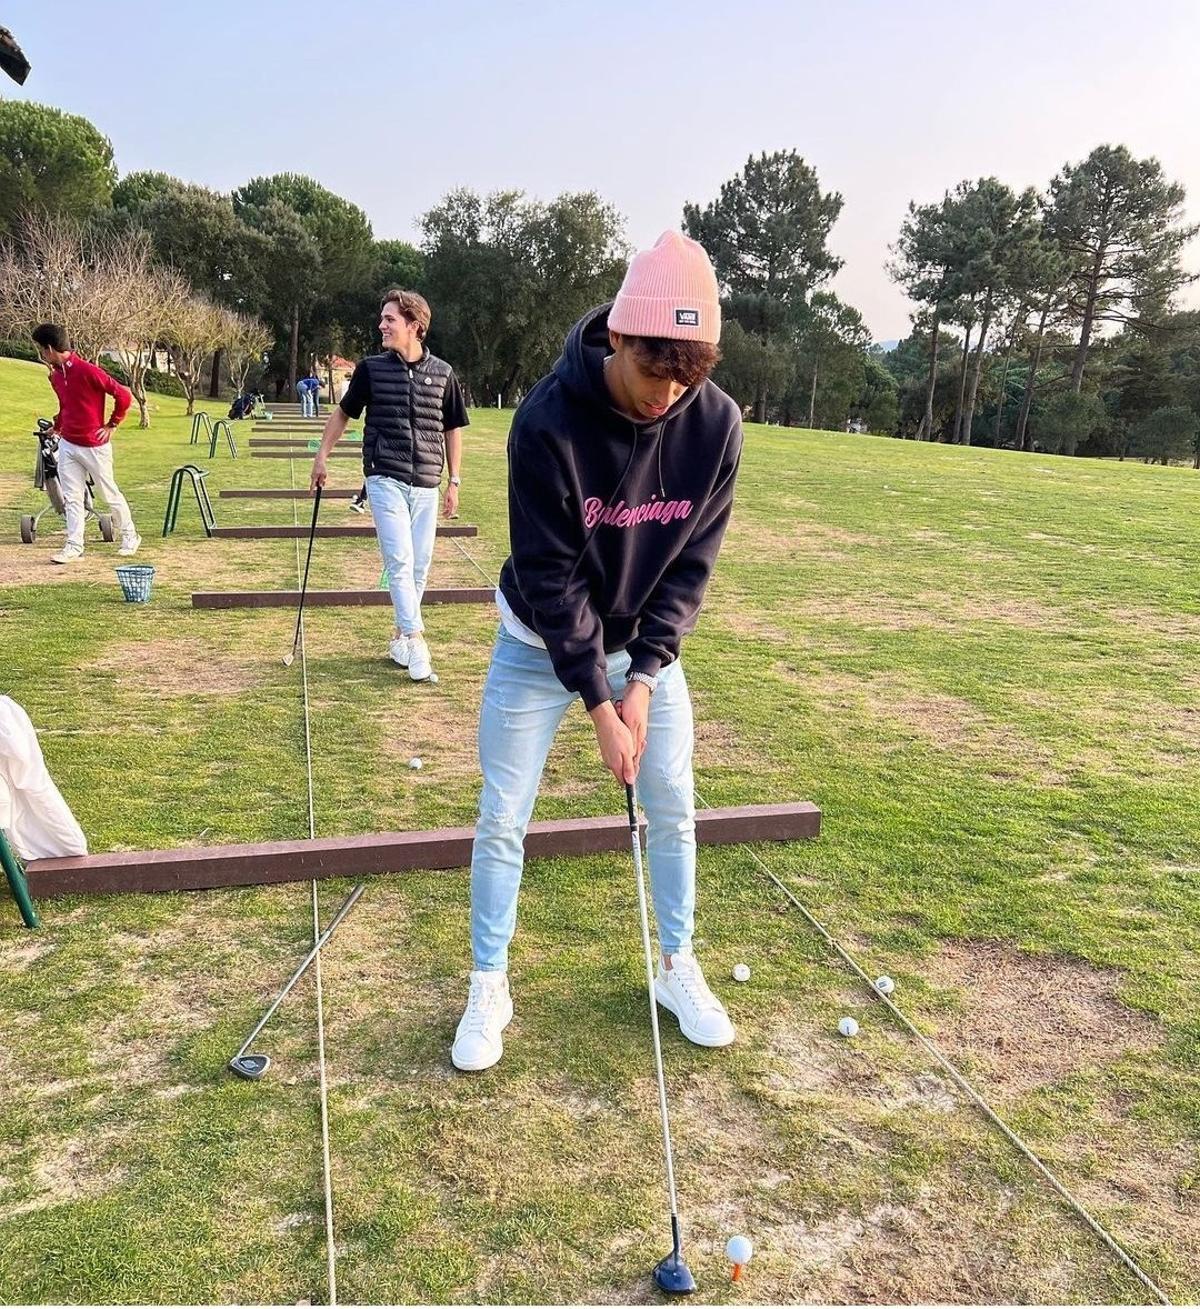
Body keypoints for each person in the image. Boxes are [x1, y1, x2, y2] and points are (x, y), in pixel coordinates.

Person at [451, 231, 744, 1073]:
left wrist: (643, 679)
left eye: (686, 377)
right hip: (537, 646)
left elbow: (690, 567)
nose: (667, 396)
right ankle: (489, 980)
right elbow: (551, 576)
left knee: (675, 805)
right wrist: (598, 702)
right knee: (504, 815)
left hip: (644, 656)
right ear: (617, 338)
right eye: (655, 372)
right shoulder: (547, 421)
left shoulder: (715, 423)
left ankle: (675, 965)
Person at [309, 290, 467, 680]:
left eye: (390, 319)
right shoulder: (371, 369)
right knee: (399, 561)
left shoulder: (444, 373)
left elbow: (452, 429)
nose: (382, 325)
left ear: (414, 325)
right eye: (383, 318)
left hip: (427, 481)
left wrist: (454, 481)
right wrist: (321, 456)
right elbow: (343, 414)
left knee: (420, 564)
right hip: (384, 477)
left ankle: (399, 636)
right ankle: (416, 639)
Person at [30, 324, 141, 564]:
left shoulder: (88, 371)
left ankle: (130, 535)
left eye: (42, 349)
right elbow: (66, 405)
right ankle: (74, 545)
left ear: (50, 348)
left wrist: (112, 424)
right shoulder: (56, 376)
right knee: (72, 497)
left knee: (108, 493)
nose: (42, 354)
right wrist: (57, 427)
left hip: (94, 445)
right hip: (68, 444)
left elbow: (123, 395)